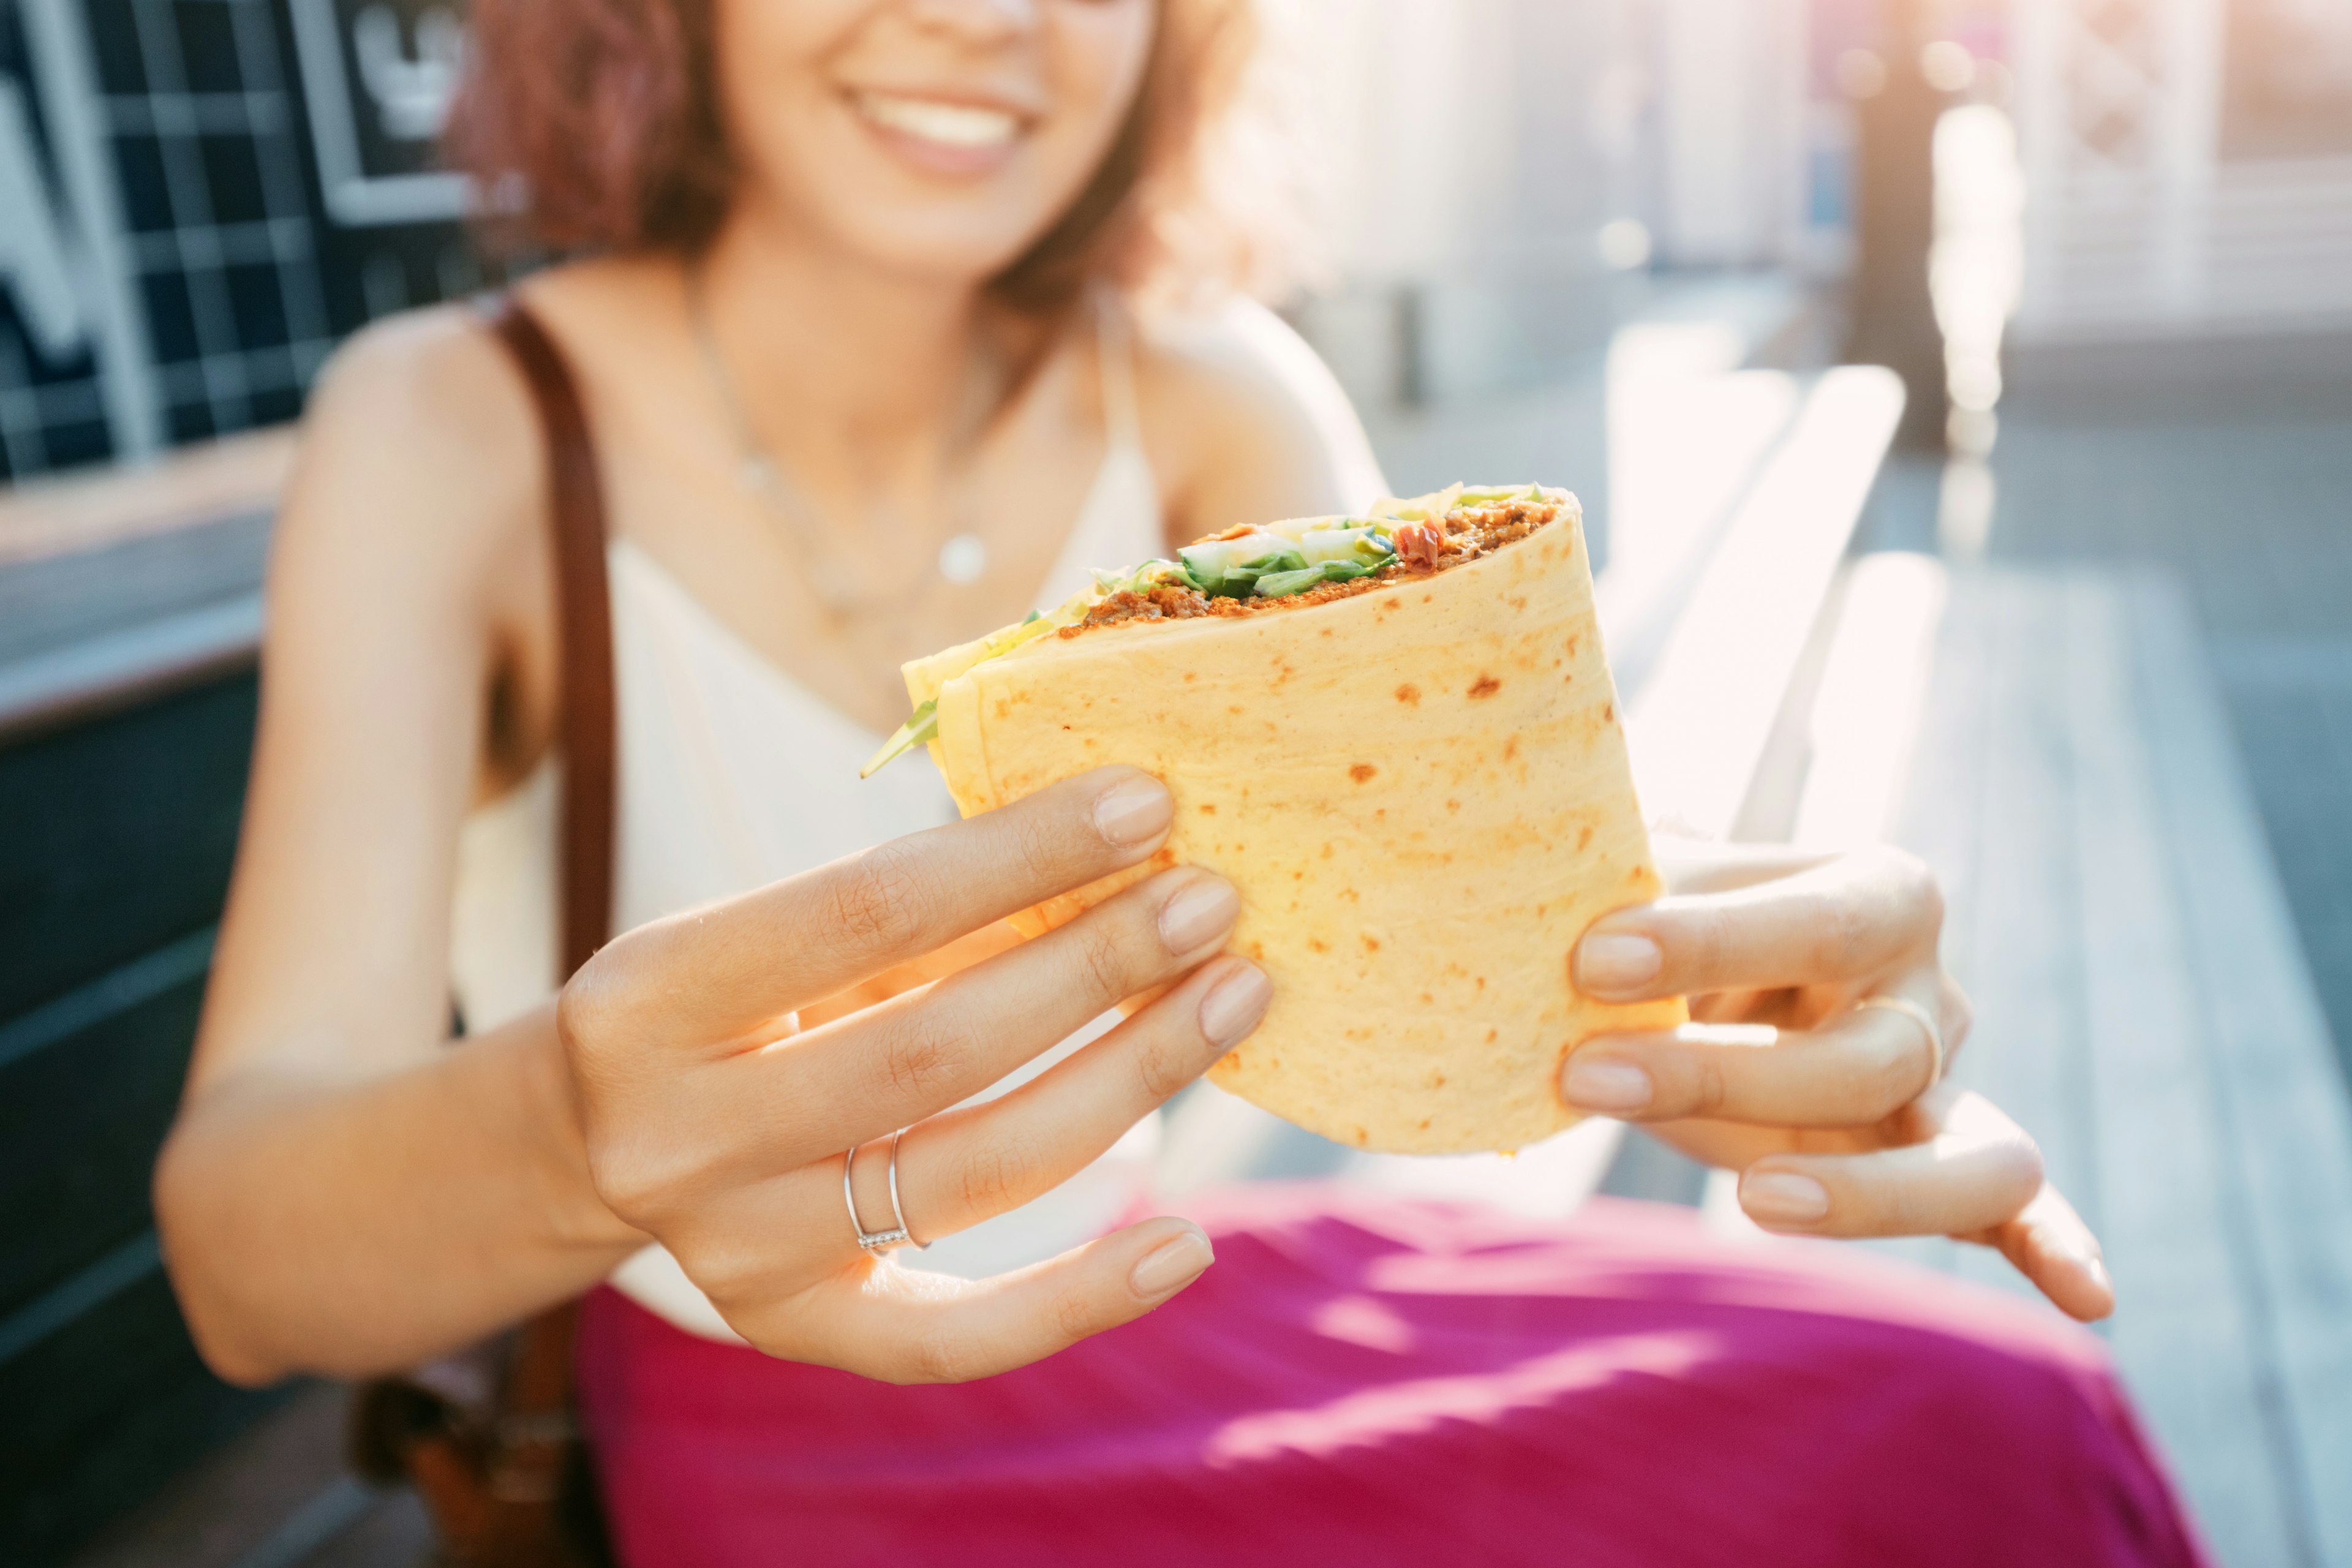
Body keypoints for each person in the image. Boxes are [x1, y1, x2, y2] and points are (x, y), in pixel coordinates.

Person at [156, 1, 2209, 1563]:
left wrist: (1754, 986)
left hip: (1208, 1306)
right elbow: (241, 1253)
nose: (988, 19)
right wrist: (579, 1138)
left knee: (2004, 1433)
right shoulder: (448, 429)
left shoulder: (1216, 394)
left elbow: (1465, 915)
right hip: (770, 1428)